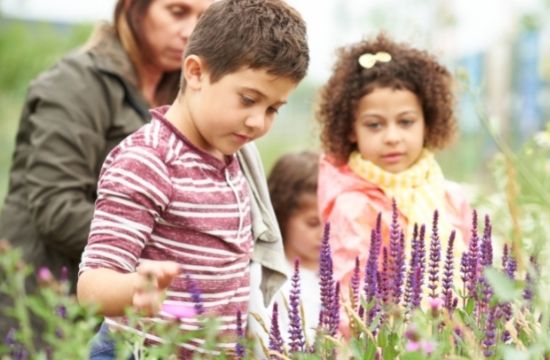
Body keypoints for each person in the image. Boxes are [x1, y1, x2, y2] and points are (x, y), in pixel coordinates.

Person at [76, 0, 309, 357]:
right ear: (196, 72)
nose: (258, 122)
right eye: (248, 99)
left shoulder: (236, 156)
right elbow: (92, 286)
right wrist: (135, 288)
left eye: (273, 109)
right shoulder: (148, 160)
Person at [0, 0, 211, 341]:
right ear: (133, 8)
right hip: (42, 309)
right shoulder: (75, 83)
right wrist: (165, 250)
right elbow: (56, 204)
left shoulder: (181, 95)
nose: (190, 31)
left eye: (203, 18)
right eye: (177, 12)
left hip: (120, 317)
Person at [316, 33, 472, 305]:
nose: (391, 137)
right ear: (351, 129)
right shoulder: (353, 205)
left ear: (428, 121)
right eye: (374, 124)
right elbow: (348, 296)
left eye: (406, 122)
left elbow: (478, 274)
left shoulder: (450, 196)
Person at [247, 151, 323, 356]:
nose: (326, 233)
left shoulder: (343, 272)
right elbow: (267, 348)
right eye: (313, 223)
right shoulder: (264, 276)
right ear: (281, 215)